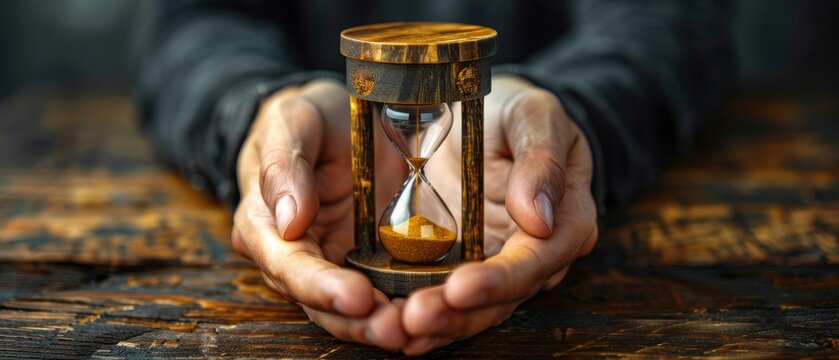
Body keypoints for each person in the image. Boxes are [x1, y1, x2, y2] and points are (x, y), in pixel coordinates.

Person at [137, 0, 732, 354]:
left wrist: (571, 110)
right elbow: (193, 23)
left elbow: (669, 19)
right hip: (323, 143)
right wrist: (257, 110)